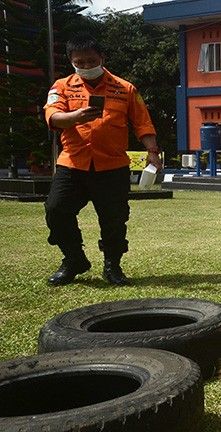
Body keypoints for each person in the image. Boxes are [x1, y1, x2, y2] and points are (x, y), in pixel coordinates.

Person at [43, 34, 161, 287]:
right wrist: (75, 117)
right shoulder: (61, 86)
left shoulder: (125, 88)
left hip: (112, 166)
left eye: (91, 61)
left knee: (114, 220)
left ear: (102, 58)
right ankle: (74, 259)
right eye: (79, 62)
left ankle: (112, 266)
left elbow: (143, 123)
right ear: (71, 62)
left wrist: (152, 151)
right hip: (73, 163)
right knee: (56, 210)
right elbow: (52, 116)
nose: (86, 66)